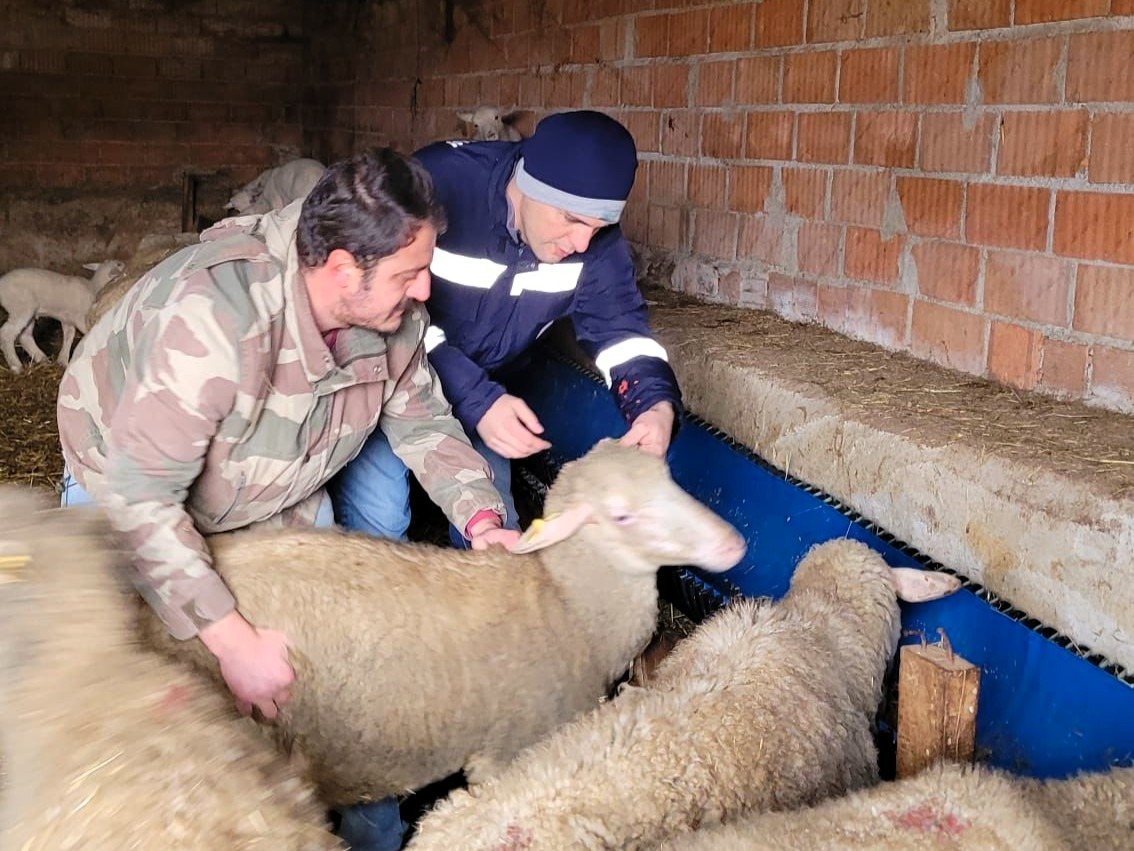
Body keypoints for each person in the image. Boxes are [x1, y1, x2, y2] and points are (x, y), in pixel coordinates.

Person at [57, 147, 519, 851]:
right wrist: (231, 637)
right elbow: (141, 499)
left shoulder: (389, 317)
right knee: (127, 713)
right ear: (340, 268)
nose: (425, 290)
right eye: (409, 273)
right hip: (124, 496)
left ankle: (354, 832)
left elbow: (422, 418)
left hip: (273, 490)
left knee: (320, 688)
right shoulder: (212, 317)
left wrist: (482, 519)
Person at [332, 110, 683, 545]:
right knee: (382, 518)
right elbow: (392, 319)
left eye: (599, 227)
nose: (581, 244)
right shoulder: (436, 186)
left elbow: (622, 333)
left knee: (495, 528)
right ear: (530, 185)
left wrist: (653, 406)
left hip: (486, 391)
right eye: (572, 220)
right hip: (389, 385)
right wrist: (478, 400)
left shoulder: (593, 244)